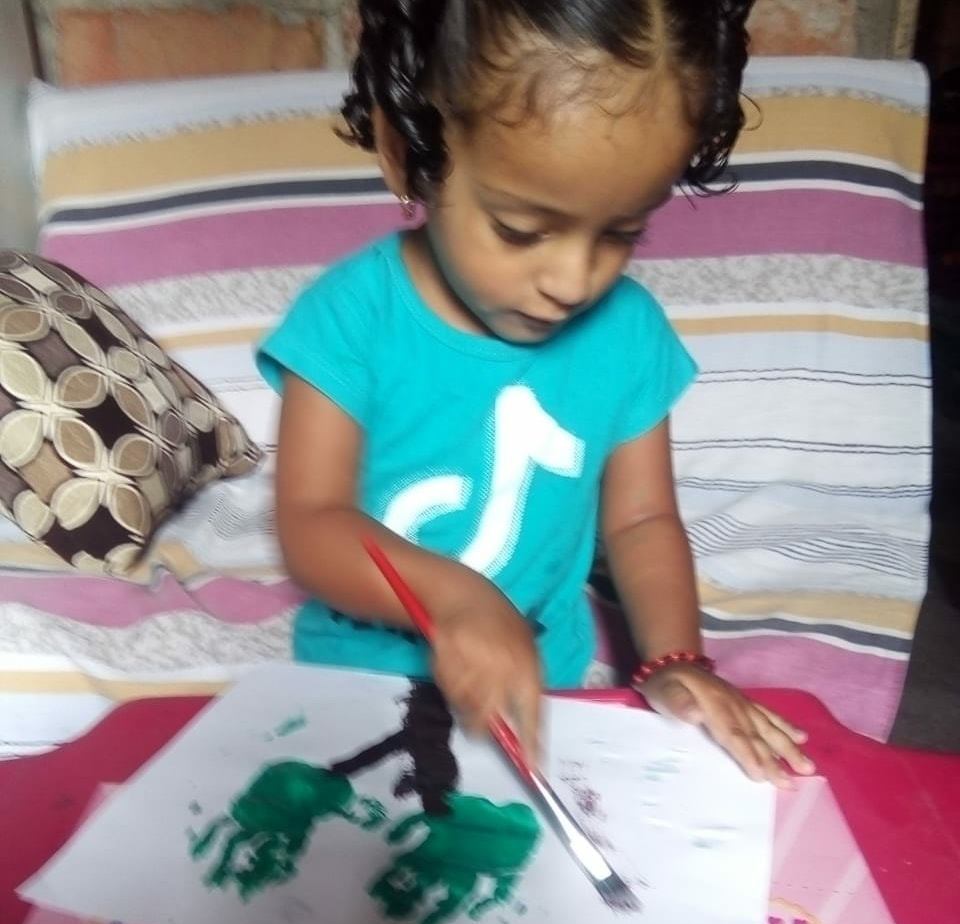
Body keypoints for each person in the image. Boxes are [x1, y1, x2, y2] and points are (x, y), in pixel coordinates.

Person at [257, 0, 815, 787]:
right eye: (520, 230)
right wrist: (455, 599)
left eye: (621, 232)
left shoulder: (628, 333)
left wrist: (674, 660)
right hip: (354, 684)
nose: (573, 281)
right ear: (406, 151)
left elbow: (641, 521)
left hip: (544, 693)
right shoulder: (351, 316)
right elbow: (312, 524)